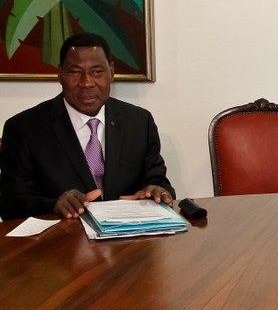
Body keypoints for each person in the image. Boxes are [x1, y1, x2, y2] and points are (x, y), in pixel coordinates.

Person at [0, 33, 175, 220]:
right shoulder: (24, 128)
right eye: (75, 72)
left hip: (126, 243)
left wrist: (157, 192)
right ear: (60, 74)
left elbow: (158, 182)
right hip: (60, 243)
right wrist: (54, 205)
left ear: (112, 72)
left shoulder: (139, 122)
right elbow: (11, 204)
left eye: (97, 71)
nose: (86, 83)